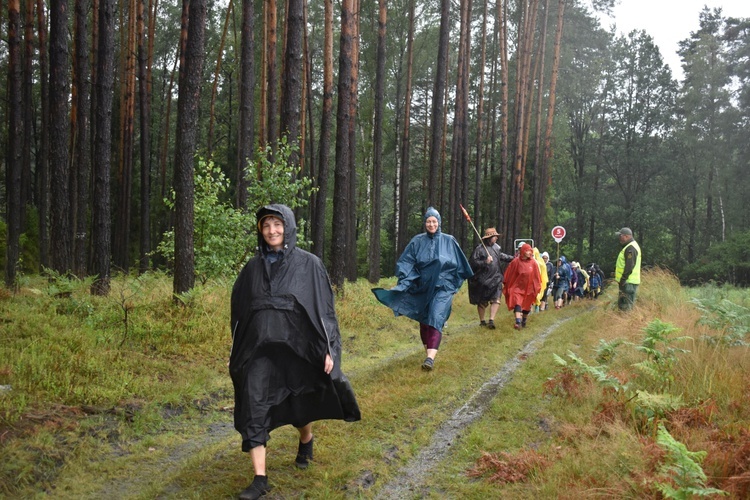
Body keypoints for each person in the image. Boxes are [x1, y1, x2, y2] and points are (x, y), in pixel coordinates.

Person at [229, 204, 361, 499]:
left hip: (299, 349)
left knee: (299, 405)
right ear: (260, 231)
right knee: (254, 403)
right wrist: (237, 351)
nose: (272, 231)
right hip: (259, 352)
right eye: (266, 226)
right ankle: (260, 480)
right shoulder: (252, 269)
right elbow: (239, 312)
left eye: (277, 224)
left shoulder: (309, 264)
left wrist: (329, 350)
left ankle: (306, 439)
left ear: (288, 227)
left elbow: (324, 312)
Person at [372, 207, 473, 370]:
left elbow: (461, 266)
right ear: (425, 223)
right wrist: (406, 280)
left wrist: (453, 285)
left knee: (435, 316)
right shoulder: (417, 241)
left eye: (434, 221)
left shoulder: (449, 241)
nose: (431, 224)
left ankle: (430, 359)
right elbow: (406, 262)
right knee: (424, 320)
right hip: (423, 287)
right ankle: (428, 355)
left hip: (443, 288)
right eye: (428, 221)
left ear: (439, 222)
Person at [467, 227, 514, 329]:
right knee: (482, 302)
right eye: (495, 236)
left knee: (496, 299)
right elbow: (472, 263)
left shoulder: (497, 247)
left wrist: (513, 258)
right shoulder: (479, 249)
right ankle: (482, 321)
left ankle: (491, 320)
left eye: (496, 236)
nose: (496, 238)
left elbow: (501, 256)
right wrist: (485, 262)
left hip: (496, 278)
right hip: (483, 280)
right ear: (489, 238)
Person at [502, 243, 542, 329]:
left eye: (530, 251)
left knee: (527, 305)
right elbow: (509, 273)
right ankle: (518, 322)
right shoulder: (516, 262)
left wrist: (537, 287)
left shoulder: (533, 263)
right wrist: (507, 283)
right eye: (527, 250)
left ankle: (524, 321)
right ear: (523, 251)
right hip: (517, 288)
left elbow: (536, 276)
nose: (529, 253)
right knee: (517, 302)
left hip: (529, 288)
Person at [614, 227, 641, 311]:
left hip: (628, 283)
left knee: (626, 307)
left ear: (626, 236)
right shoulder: (629, 247)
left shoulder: (630, 248)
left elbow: (630, 265)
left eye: (620, 236)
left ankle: (626, 323)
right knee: (623, 306)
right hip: (627, 282)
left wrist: (623, 279)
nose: (619, 238)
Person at [532, 247, 549, 312]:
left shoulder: (541, 263)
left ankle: (537, 310)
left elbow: (543, 274)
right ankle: (530, 313)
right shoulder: (529, 262)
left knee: (538, 297)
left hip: (539, 283)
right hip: (532, 283)